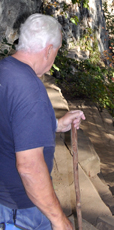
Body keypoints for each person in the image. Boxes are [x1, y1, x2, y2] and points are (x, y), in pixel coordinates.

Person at [0, 14, 85, 230]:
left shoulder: (5, 70)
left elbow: (10, 124)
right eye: (55, 53)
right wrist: (59, 220)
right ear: (48, 49)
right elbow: (29, 167)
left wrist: (55, 125)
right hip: (20, 208)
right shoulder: (30, 90)